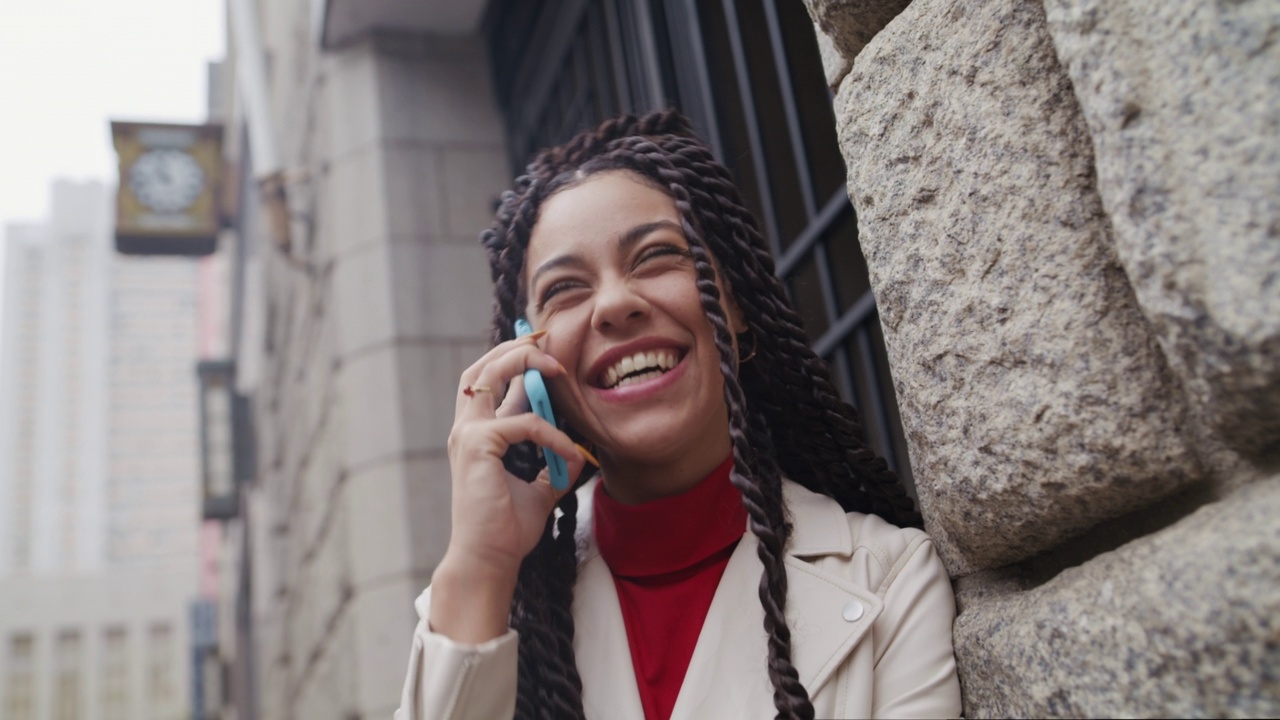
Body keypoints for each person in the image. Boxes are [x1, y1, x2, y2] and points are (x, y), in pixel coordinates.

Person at [395, 110, 961, 720]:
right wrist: (481, 564)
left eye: (656, 257)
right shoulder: (480, 612)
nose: (615, 304)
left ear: (735, 305)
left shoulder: (891, 579)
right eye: (565, 290)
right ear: (528, 361)